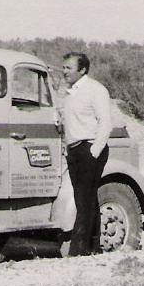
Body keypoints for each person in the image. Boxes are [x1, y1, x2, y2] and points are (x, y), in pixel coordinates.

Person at [59, 52, 112, 256]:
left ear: (82, 70)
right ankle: (93, 246)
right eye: (63, 68)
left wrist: (93, 152)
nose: (64, 72)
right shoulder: (69, 93)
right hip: (74, 150)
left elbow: (105, 123)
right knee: (87, 199)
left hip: (90, 148)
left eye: (69, 68)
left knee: (83, 199)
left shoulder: (95, 90)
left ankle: (78, 250)